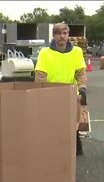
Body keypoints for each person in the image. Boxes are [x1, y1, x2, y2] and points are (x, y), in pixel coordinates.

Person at [34, 22, 87, 155]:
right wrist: (42, 92)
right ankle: (51, 148)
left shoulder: (77, 52)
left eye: (65, 33)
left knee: (72, 124)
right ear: (54, 36)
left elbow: (80, 73)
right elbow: (40, 75)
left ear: (68, 35)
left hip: (70, 93)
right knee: (51, 123)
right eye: (59, 33)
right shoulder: (45, 53)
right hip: (51, 93)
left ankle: (75, 149)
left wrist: (83, 88)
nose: (62, 36)